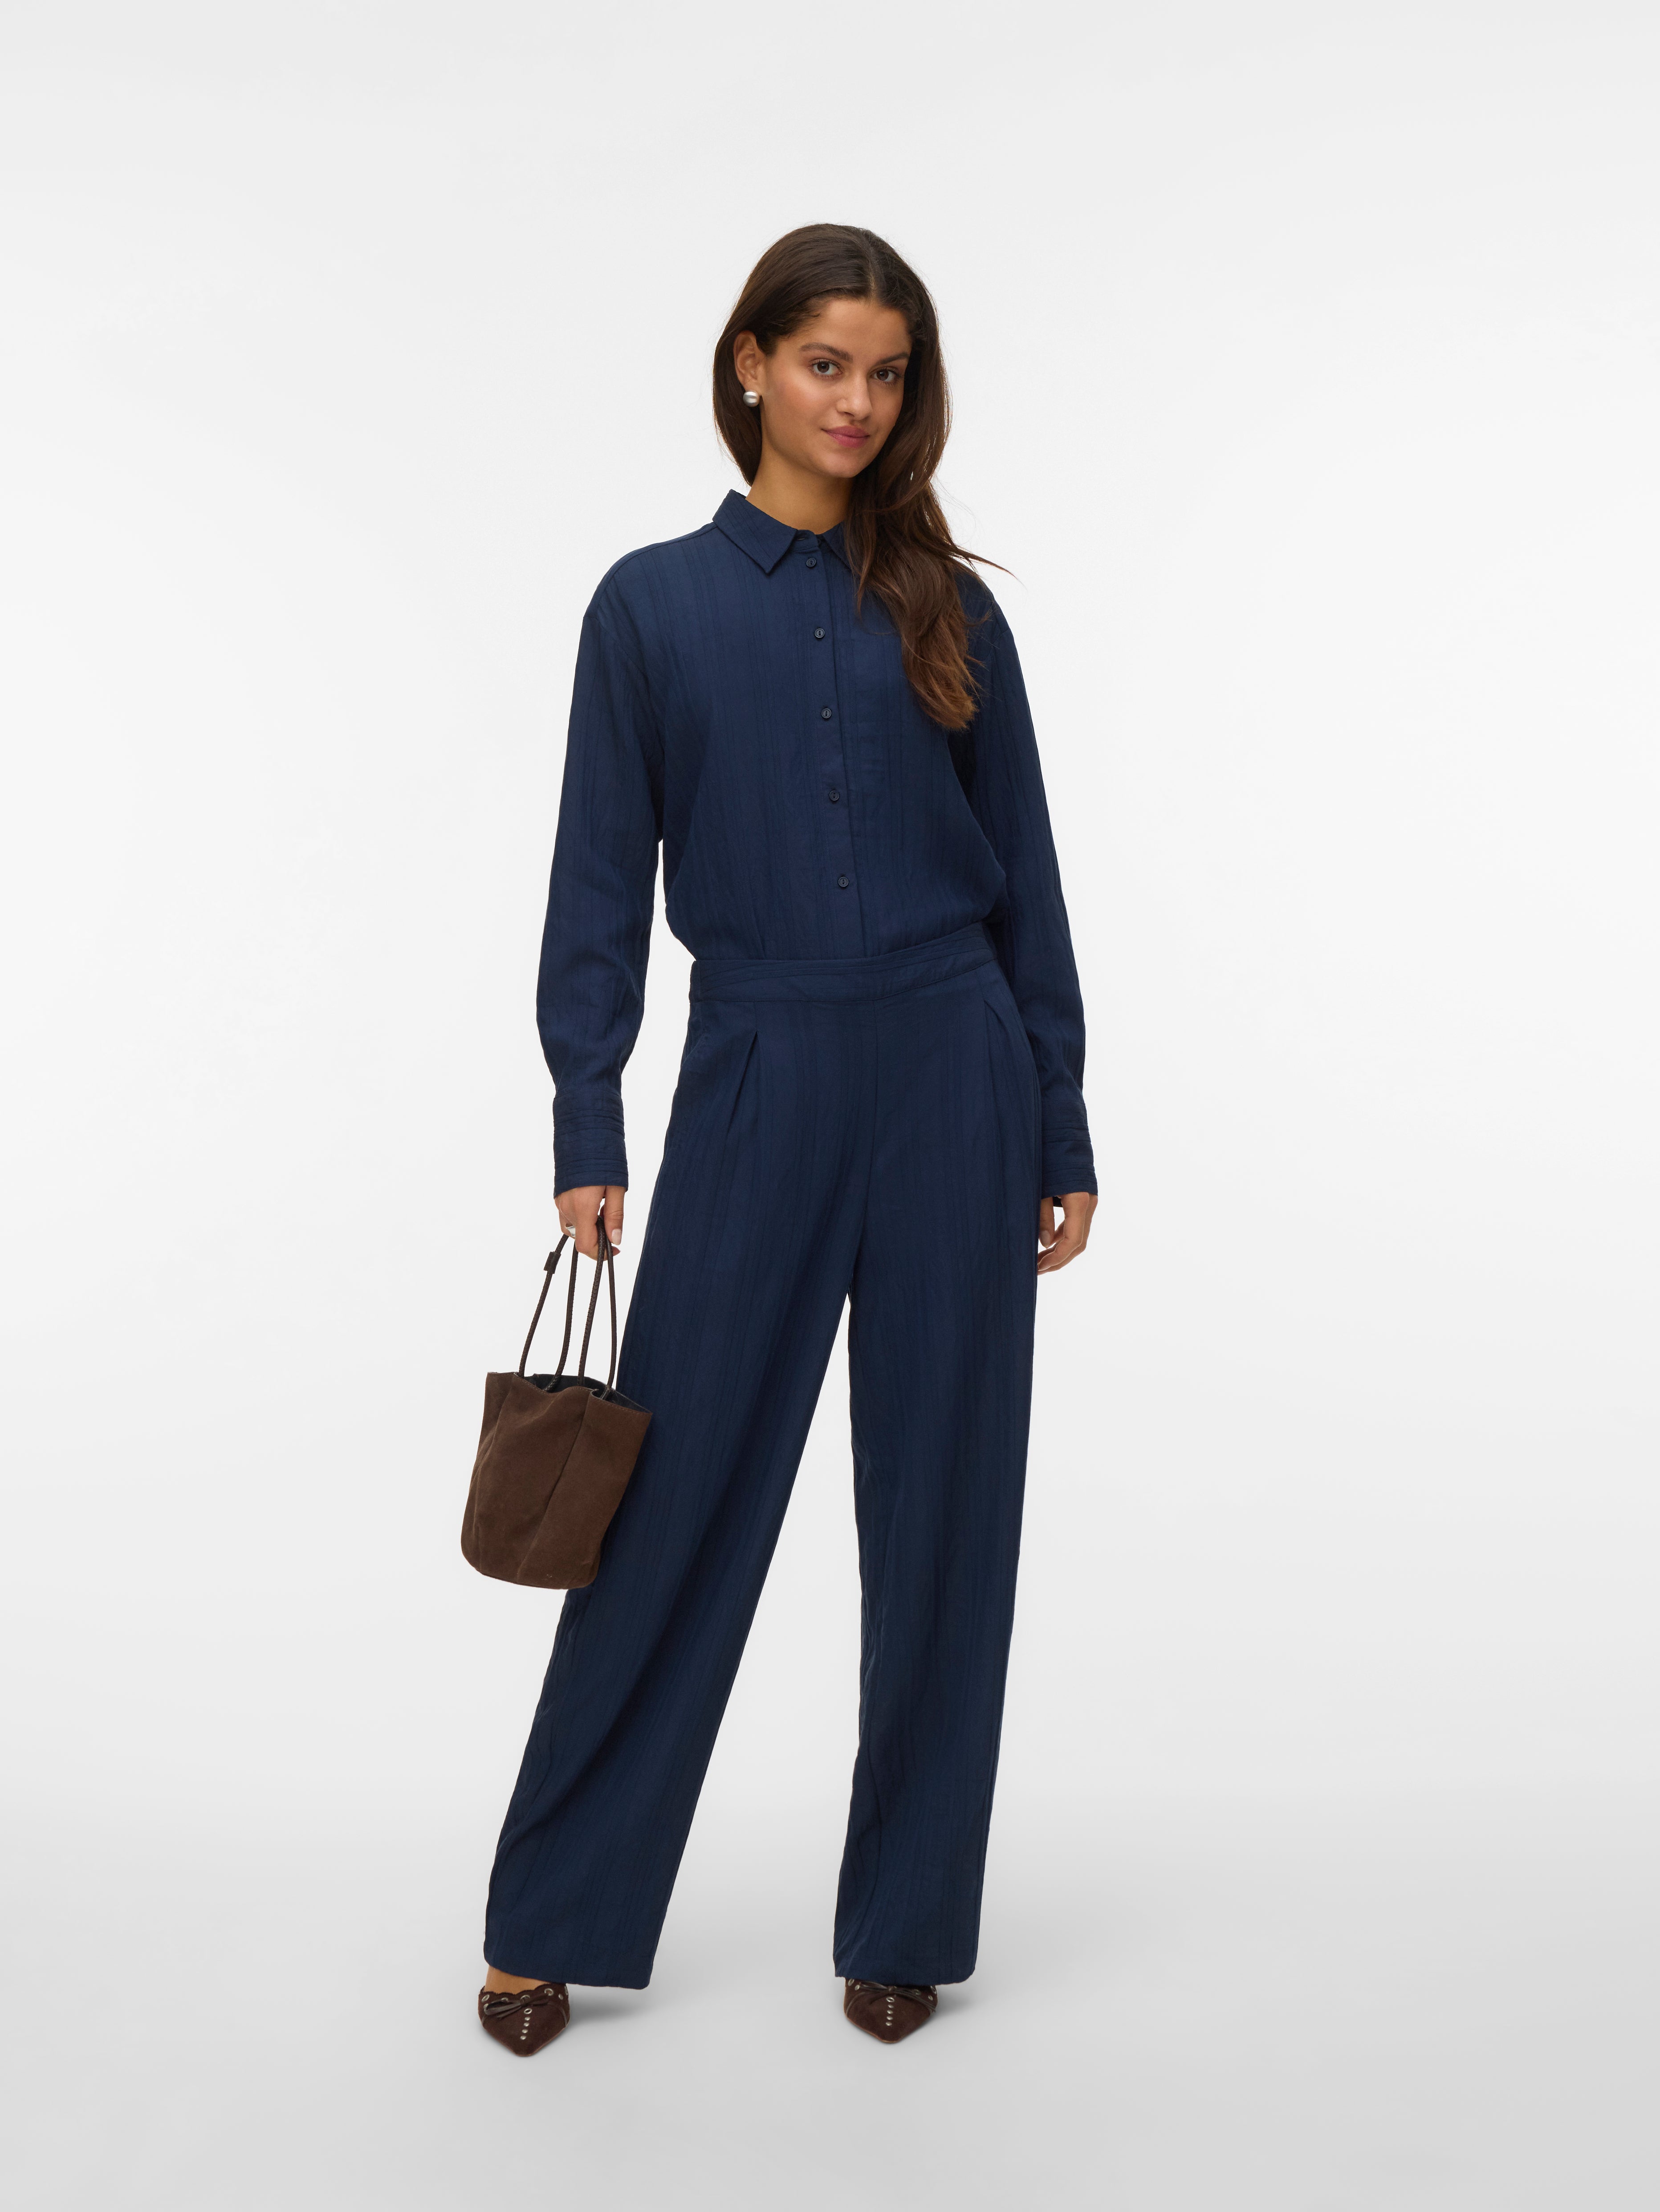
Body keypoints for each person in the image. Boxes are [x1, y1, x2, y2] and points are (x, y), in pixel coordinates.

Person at [476, 222, 1098, 2057]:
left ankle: (904, 1920)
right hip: (756, 1068)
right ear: (750, 363)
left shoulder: (948, 608)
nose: (857, 402)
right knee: (668, 1498)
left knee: (946, 1504)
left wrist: (1058, 1116)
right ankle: (551, 1915)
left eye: (887, 373)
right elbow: (598, 882)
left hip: (956, 1070)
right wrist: (587, 1111)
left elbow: (1026, 881)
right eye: (826, 362)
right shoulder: (648, 609)